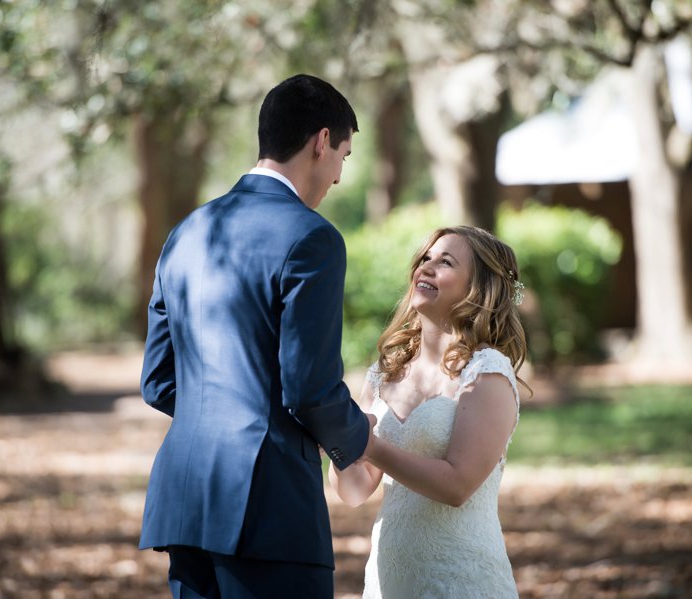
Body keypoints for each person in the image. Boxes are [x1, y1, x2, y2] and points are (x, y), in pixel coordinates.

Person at [139, 74, 375, 599]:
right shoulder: (312, 237)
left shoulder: (187, 232)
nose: (338, 176)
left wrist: (225, 416)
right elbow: (308, 387)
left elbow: (158, 381)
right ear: (320, 142)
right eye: (344, 154)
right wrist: (357, 439)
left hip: (184, 502)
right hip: (268, 507)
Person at [329, 226, 528, 598]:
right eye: (425, 259)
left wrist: (369, 445)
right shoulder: (385, 371)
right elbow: (355, 491)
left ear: (478, 288)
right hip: (390, 575)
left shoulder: (487, 373)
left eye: (445, 262)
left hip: (460, 576)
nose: (427, 267)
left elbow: (457, 486)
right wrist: (339, 438)